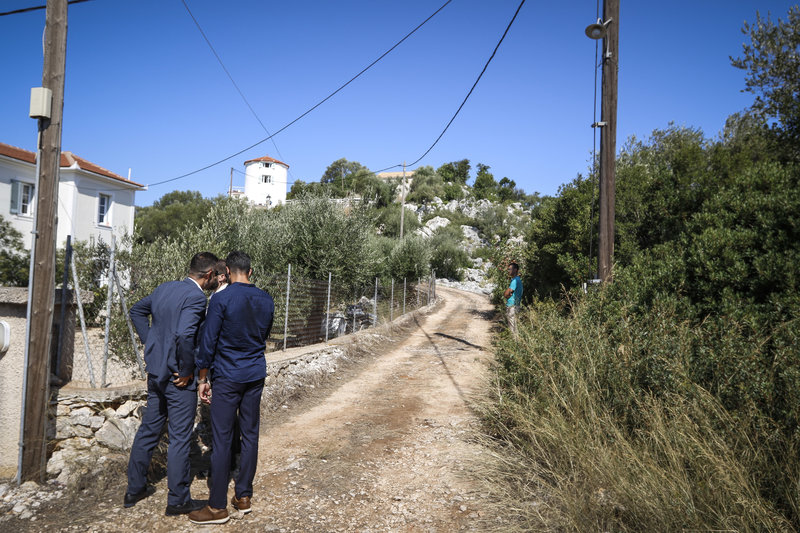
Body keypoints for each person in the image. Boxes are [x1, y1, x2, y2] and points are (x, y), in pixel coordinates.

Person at [124, 251, 219, 515]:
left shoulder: (164, 288)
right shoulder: (196, 297)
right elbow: (185, 334)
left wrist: (151, 342)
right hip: (179, 379)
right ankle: (177, 500)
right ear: (209, 274)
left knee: (148, 431)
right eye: (214, 276)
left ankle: (134, 490)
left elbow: (137, 311)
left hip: (156, 373)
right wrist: (188, 371)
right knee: (179, 438)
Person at [188, 251, 274, 525]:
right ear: (250, 271)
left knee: (223, 438)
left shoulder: (221, 299)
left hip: (227, 376)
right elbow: (265, 334)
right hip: (254, 374)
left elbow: (208, 341)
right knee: (250, 434)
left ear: (228, 270)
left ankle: (216, 507)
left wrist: (203, 378)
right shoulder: (267, 299)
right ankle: (244, 496)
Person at [503, 262, 522, 338]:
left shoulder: (515, 281)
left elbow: (506, 294)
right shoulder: (518, 280)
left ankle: (513, 345)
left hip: (512, 307)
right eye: (508, 269)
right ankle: (515, 345)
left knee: (512, 328)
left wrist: (507, 294)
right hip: (516, 305)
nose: (509, 271)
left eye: (510, 269)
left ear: (515, 270)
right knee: (515, 327)